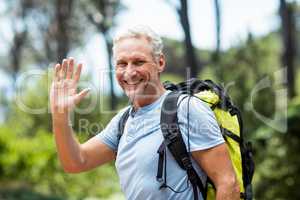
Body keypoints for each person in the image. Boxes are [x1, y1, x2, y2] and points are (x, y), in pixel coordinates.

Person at [50, 25, 239, 200]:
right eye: (122, 64)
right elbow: (76, 162)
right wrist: (60, 116)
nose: (129, 72)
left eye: (138, 62)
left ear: (160, 62)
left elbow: (228, 183)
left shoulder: (187, 109)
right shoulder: (122, 122)